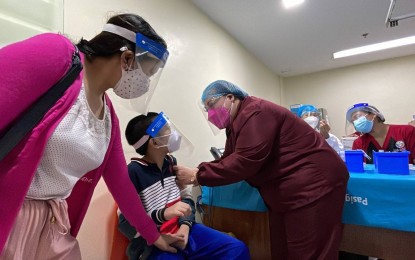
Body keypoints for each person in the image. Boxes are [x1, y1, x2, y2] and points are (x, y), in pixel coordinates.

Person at [0, 13, 183, 259]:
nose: (145, 84)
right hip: (10, 213)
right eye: (146, 74)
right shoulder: (56, 54)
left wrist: (154, 235)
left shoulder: (108, 117)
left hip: (54, 222)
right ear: (127, 58)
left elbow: (121, 184)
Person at [174, 80, 349, 259]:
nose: (210, 114)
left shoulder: (256, 112)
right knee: (282, 249)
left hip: (315, 184)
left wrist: (198, 176)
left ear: (230, 97)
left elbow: (246, 160)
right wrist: (198, 170)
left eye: (211, 105)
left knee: (310, 252)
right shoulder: (237, 123)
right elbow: (229, 158)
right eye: (206, 109)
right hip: (288, 192)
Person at [120, 112, 250, 259]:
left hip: (184, 229)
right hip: (154, 242)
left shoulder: (170, 162)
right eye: (167, 129)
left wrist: (185, 226)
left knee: (237, 249)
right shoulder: (134, 171)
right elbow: (125, 222)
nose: (173, 133)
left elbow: (186, 200)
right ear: (155, 143)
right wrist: (161, 222)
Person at [346, 103, 415, 164]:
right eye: (353, 121)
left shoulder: (407, 131)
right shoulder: (359, 143)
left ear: (374, 114)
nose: (356, 122)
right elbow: (358, 170)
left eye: (357, 117)